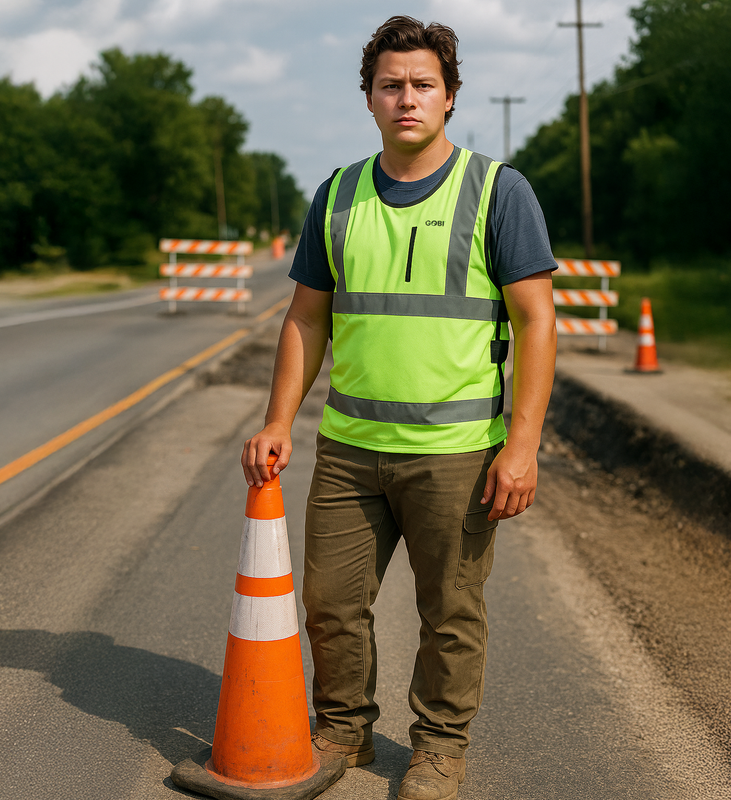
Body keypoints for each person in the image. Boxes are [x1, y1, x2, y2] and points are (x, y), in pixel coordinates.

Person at [241, 15, 557, 800]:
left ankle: (439, 749)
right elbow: (307, 319)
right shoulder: (339, 194)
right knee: (328, 603)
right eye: (391, 86)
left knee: (450, 612)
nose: (406, 98)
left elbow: (537, 321)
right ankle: (343, 731)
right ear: (370, 98)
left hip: (457, 453)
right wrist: (280, 419)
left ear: (450, 96)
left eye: (422, 85)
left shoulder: (497, 190)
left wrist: (523, 445)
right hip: (349, 449)